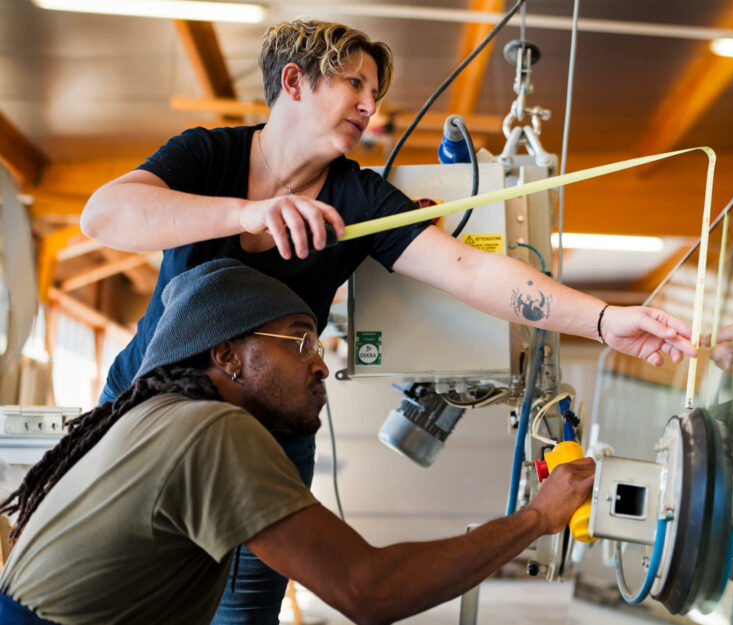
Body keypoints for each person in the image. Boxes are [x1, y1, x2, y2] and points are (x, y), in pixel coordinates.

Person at [79, 19, 696, 622]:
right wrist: (246, 214)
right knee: (109, 579)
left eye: (375, 93)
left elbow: (473, 272)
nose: (370, 105)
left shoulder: (357, 197)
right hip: (146, 401)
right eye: (354, 84)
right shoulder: (209, 154)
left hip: (267, 433)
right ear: (293, 82)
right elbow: (103, 217)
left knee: (242, 611)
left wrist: (604, 319)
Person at [0, 260, 596, 625]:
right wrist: (535, 519)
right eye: (298, 341)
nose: (320, 366)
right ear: (227, 356)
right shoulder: (212, 431)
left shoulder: (156, 417)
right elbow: (368, 590)